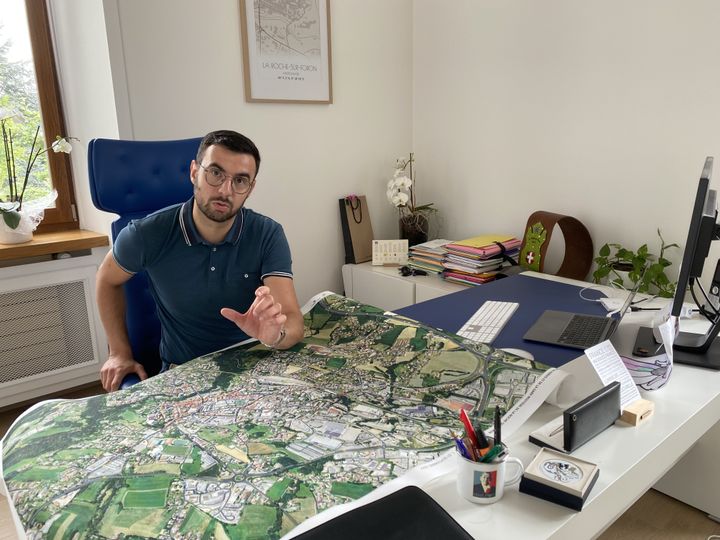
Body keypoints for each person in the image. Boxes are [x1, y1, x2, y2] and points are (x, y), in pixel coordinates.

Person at [96, 130, 304, 392]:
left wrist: (276, 336)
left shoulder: (267, 234)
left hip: (254, 368)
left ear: (250, 189)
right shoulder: (146, 233)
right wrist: (118, 352)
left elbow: (293, 319)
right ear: (194, 172)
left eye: (240, 180)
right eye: (215, 173)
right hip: (186, 373)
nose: (225, 191)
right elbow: (106, 278)